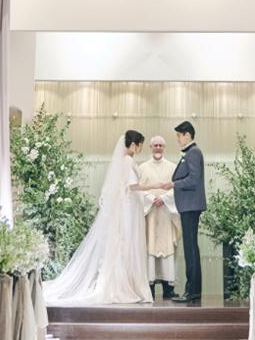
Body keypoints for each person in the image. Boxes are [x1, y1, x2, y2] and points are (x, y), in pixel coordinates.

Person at [44, 130, 156, 305]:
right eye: (140, 145)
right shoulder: (127, 161)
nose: (141, 148)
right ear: (134, 145)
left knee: (123, 243)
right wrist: (157, 185)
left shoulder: (124, 160)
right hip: (128, 208)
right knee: (127, 243)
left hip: (128, 206)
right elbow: (133, 186)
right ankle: (124, 286)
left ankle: (125, 284)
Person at [164, 121, 205, 303]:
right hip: (188, 206)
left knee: (191, 249)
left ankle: (192, 291)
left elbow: (194, 179)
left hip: (191, 206)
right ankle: (193, 290)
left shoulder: (193, 153)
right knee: (190, 248)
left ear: (187, 135)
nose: (178, 140)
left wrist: (174, 184)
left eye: (179, 136)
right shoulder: (191, 153)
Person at [138, 135, 179, 299]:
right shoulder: (142, 168)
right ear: (150, 147)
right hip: (150, 213)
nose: (158, 148)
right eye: (155, 145)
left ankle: (168, 289)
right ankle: (150, 287)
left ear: (164, 147)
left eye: (161, 145)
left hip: (166, 213)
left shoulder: (173, 167)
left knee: (167, 247)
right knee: (150, 246)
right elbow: (138, 189)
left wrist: (164, 198)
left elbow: (177, 187)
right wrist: (150, 198)